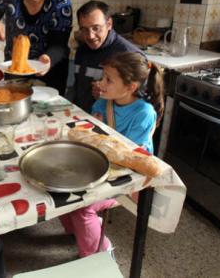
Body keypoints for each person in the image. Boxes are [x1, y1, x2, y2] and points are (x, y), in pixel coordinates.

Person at [60, 51, 164, 258]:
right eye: (103, 77)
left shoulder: (144, 113)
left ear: (130, 87)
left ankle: (97, 253)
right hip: (102, 168)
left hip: (130, 180)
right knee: (63, 190)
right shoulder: (103, 102)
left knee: (82, 206)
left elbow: (129, 156)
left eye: (109, 80)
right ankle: (82, 231)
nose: (101, 83)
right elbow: (93, 134)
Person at [72, 0, 143, 112]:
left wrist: (108, 96)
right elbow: (76, 88)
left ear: (109, 24)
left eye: (96, 28)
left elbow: (140, 104)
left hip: (112, 125)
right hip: (81, 117)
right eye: (84, 29)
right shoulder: (82, 50)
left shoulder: (128, 55)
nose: (90, 36)